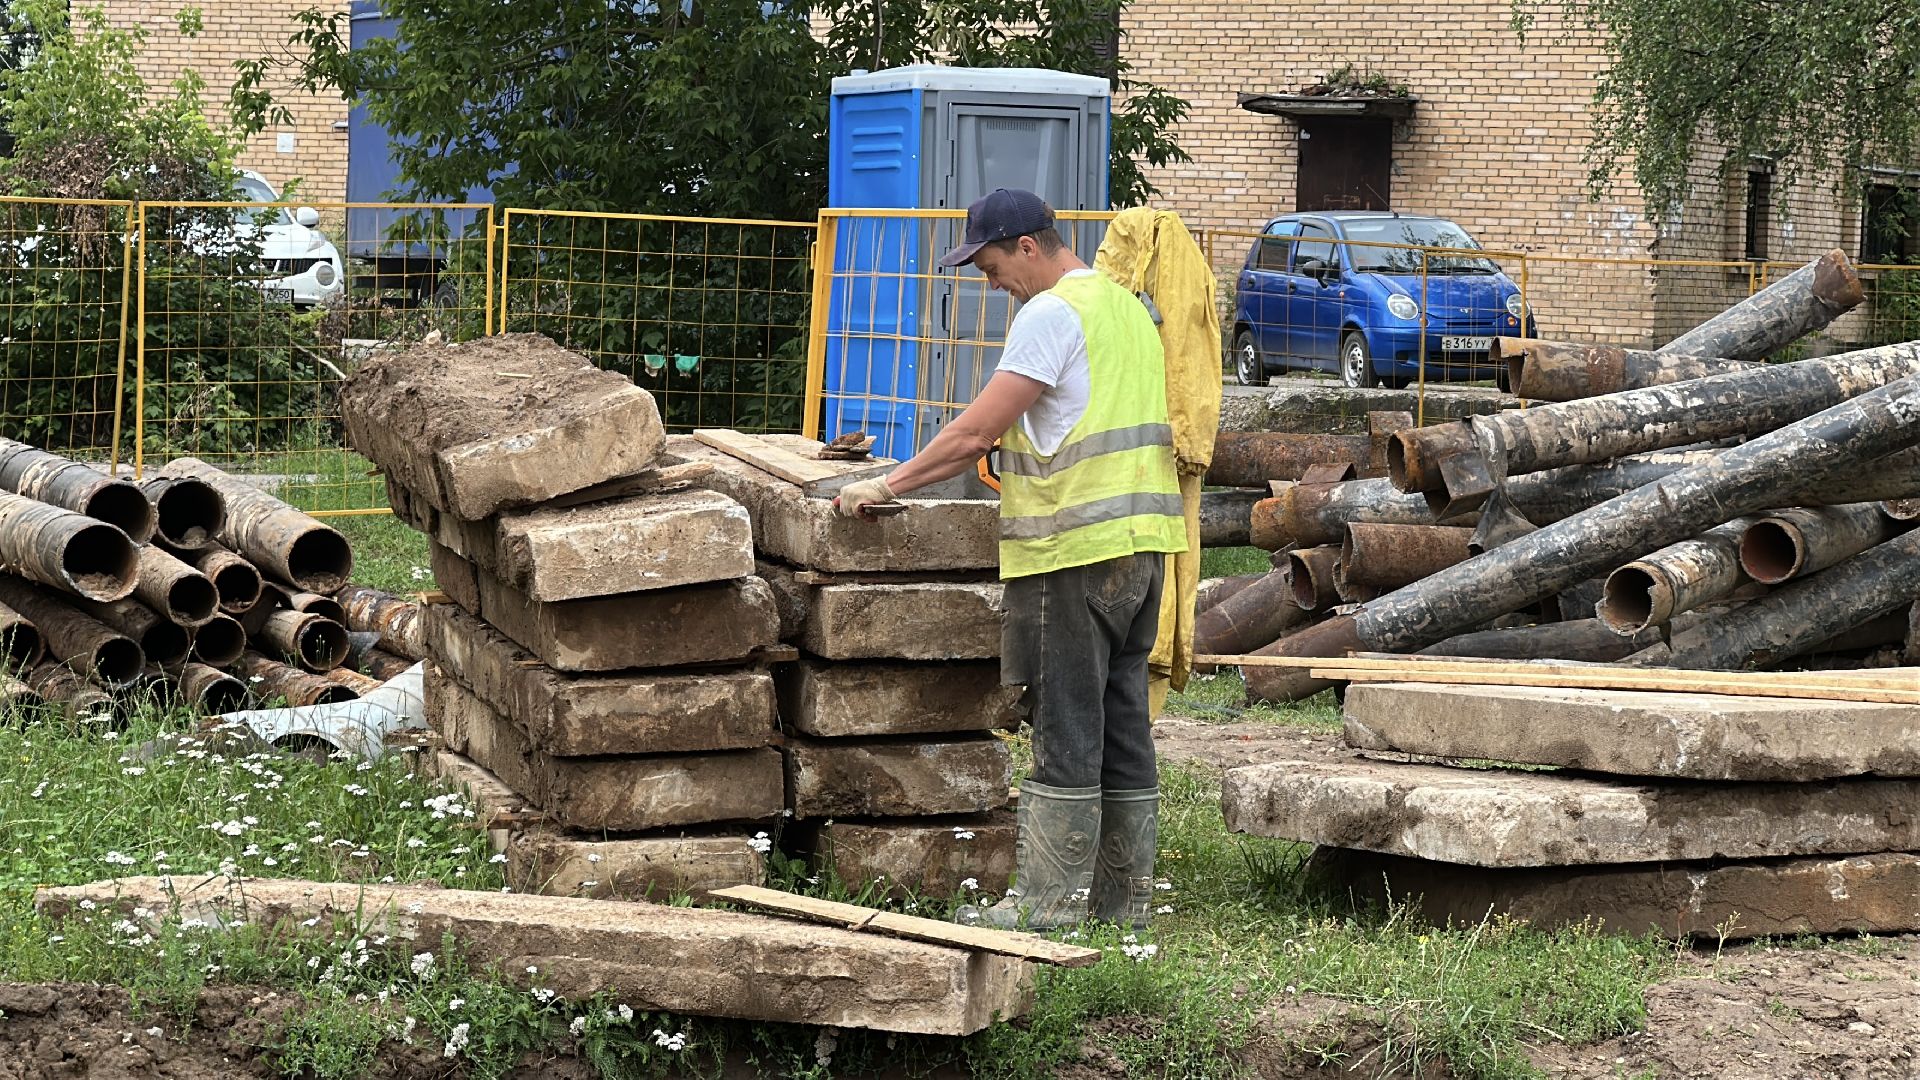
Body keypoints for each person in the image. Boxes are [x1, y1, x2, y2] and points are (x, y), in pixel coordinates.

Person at [835, 188, 1187, 930]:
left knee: (1065, 722)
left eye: (993, 268)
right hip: (1145, 549)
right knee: (1123, 724)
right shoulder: (1128, 309)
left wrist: (885, 484)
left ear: (1029, 246)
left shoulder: (1051, 314)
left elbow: (973, 434)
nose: (992, 285)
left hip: (1072, 552)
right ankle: (1123, 906)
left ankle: (1048, 906)